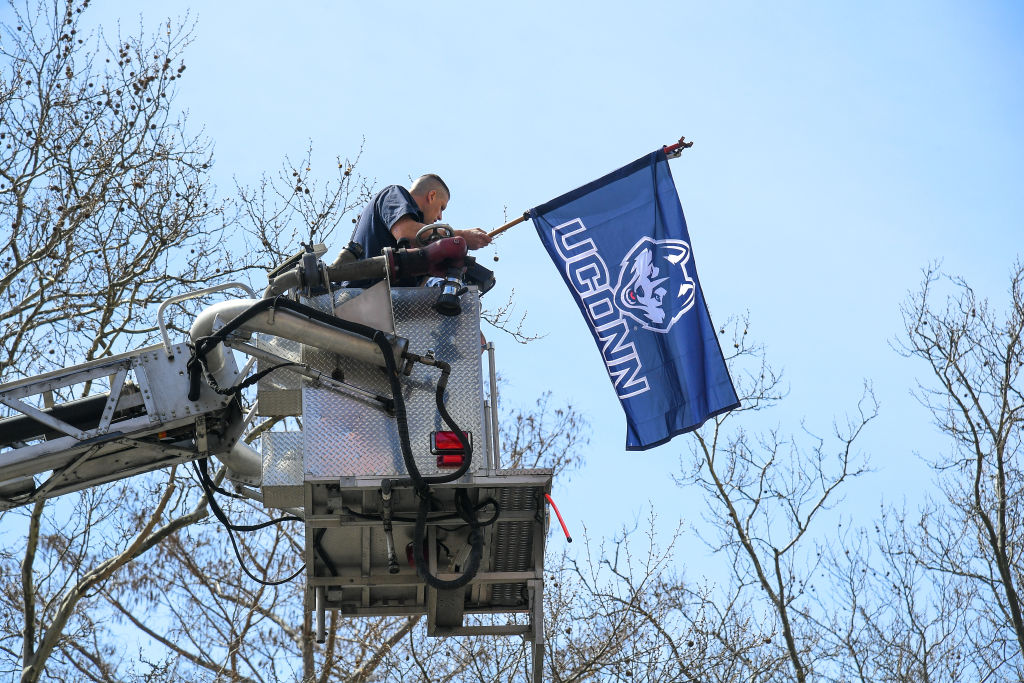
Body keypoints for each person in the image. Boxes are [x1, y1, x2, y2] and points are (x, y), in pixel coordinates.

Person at [347, 174, 490, 287]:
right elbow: (405, 232)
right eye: (441, 207)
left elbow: (417, 288)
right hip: (358, 296)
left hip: (381, 308)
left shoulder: (419, 245)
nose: (440, 216)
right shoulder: (394, 193)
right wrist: (461, 236)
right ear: (431, 196)